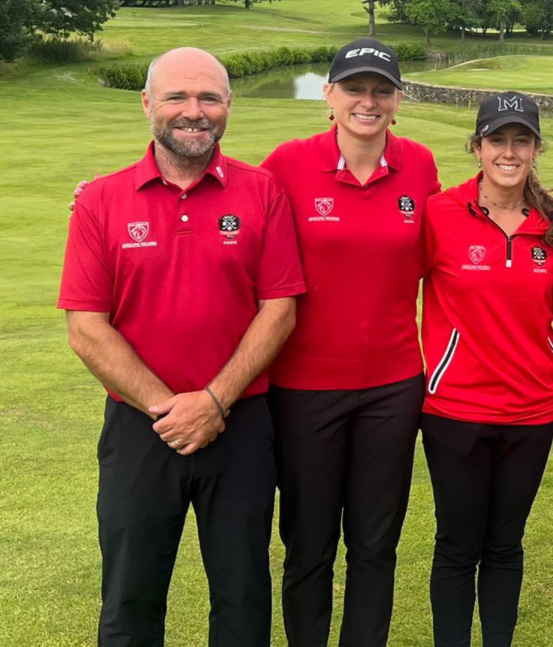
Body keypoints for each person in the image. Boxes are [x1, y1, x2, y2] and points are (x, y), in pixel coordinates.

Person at [58, 47, 305, 646]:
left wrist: (215, 402)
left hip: (240, 425)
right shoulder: (101, 201)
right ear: (148, 104)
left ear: (228, 106)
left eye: (209, 98)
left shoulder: (263, 192)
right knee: (130, 596)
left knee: (243, 597)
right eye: (177, 97)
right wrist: (169, 408)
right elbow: (86, 325)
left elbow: (280, 309)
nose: (193, 112)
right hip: (139, 429)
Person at [259, 38, 440, 646]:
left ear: (397, 100)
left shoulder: (419, 165)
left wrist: (552, 215)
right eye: (355, 89)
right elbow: (230, 221)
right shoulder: (286, 164)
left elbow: (466, 232)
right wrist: (103, 197)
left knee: (374, 543)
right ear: (329, 95)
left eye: (381, 90)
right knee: (308, 544)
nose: (368, 101)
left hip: (392, 386)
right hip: (304, 388)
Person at [418, 91, 553, 646]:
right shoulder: (440, 212)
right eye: (497, 140)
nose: (508, 152)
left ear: (535, 149)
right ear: (478, 147)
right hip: (454, 409)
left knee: (505, 544)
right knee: (458, 544)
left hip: (531, 411)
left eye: (521, 141)